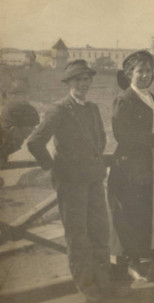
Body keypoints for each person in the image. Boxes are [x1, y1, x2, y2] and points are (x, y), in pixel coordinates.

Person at [27, 60, 115, 302]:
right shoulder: (59, 109)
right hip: (71, 183)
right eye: (78, 80)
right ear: (69, 83)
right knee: (77, 235)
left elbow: (101, 137)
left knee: (100, 230)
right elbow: (35, 142)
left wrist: (94, 158)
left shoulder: (93, 108)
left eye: (86, 79)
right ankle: (86, 285)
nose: (83, 84)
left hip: (94, 180)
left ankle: (103, 280)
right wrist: (54, 167)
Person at [107, 51, 154, 281]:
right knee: (133, 214)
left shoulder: (151, 97)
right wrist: (153, 139)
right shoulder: (125, 98)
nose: (145, 75)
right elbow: (122, 134)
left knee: (152, 212)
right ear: (129, 74)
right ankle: (133, 264)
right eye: (139, 71)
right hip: (131, 167)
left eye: (148, 71)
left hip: (152, 163)